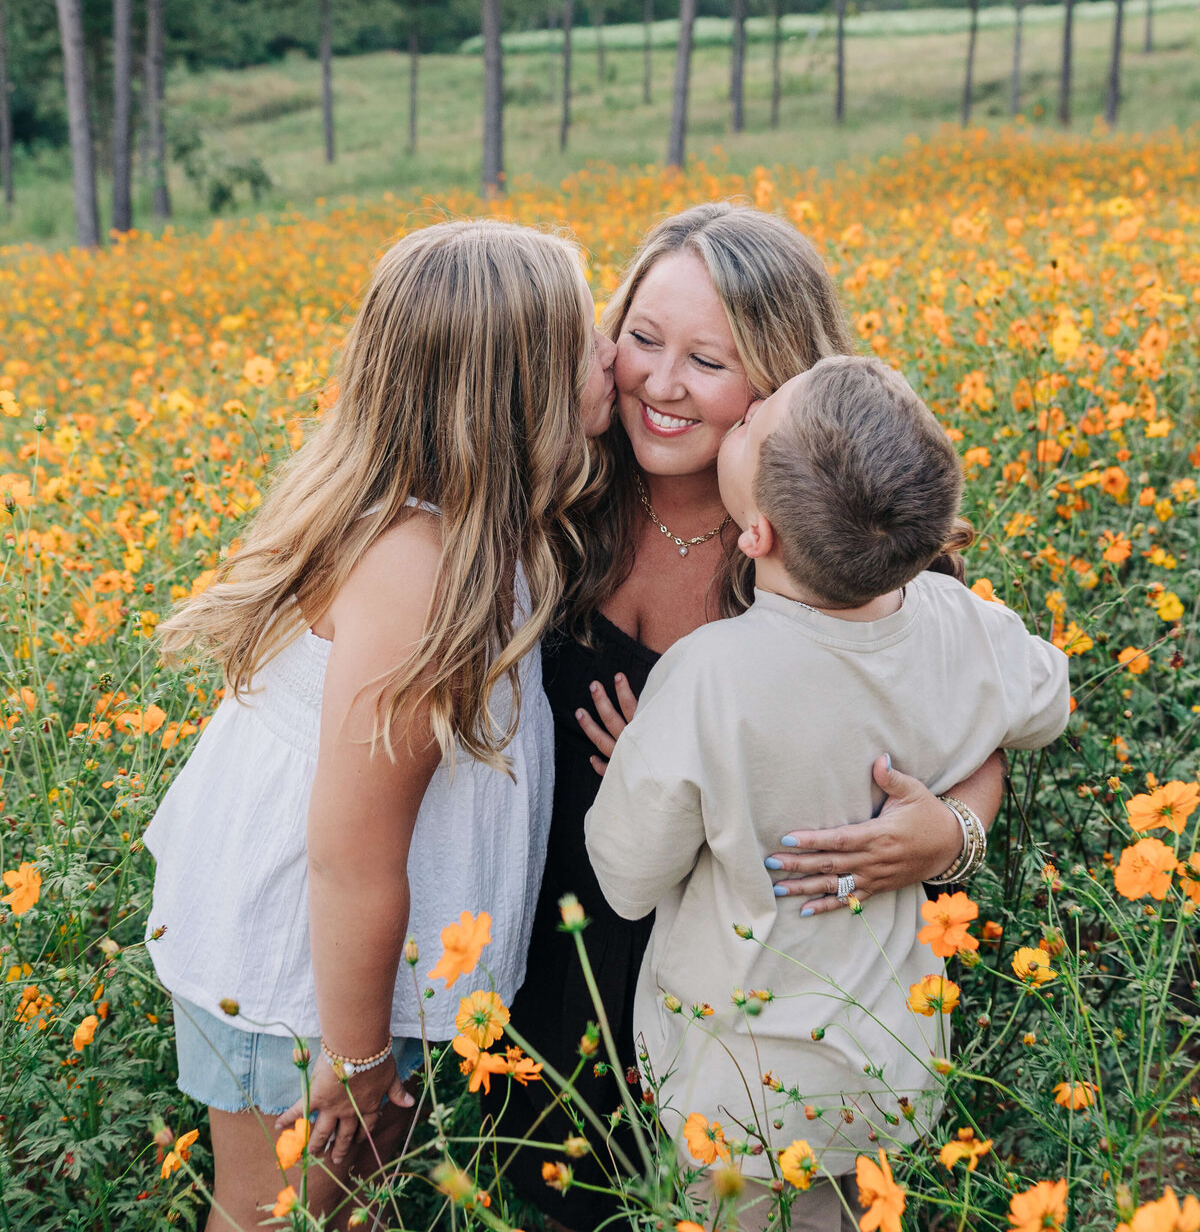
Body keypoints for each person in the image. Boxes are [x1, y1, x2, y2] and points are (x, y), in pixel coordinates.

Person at [503, 204, 1007, 1230]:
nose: (662, 383)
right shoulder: (556, 503)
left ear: (784, 382)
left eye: (709, 361)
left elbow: (979, 721)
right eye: (642, 340)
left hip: (761, 1000)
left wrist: (946, 833)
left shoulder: (842, 542)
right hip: (555, 947)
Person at [143, 221, 618, 1232]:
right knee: (285, 1214)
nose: (614, 354)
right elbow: (350, 857)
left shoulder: (479, 523)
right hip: (304, 972)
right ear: (521, 385)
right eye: (590, 337)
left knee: (333, 1210)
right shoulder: (419, 569)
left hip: (339, 965)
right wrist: (356, 1059)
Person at [586, 356, 1070, 1232]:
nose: (752, 405)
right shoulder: (961, 622)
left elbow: (623, 877)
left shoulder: (708, 677)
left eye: (757, 419)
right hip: (887, 1067)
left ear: (757, 536)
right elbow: (1050, 700)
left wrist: (643, 764)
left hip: (735, 1089)